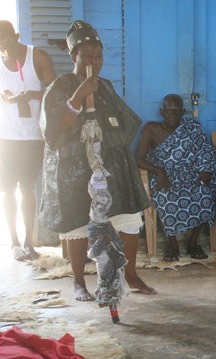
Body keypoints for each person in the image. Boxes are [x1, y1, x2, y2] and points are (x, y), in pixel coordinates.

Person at [39, 20, 155, 300]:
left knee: (127, 216)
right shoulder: (61, 85)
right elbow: (54, 130)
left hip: (110, 162)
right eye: (87, 56)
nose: (94, 61)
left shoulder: (105, 86)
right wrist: (79, 95)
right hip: (74, 166)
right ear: (73, 56)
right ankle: (79, 281)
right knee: (78, 220)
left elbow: (124, 122)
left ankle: (130, 273)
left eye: (98, 56)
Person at [135, 94, 216, 261]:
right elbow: (139, 158)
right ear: (162, 112)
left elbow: (205, 151)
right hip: (162, 174)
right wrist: (160, 172)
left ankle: (193, 242)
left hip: (189, 173)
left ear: (183, 112)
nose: (173, 114)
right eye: (169, 111)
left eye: (176, 111)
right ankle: (172, 245)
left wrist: (205, 169)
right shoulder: (151, 128)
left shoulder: (191, 128)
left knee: (206, 193)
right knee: (165, 197)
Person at [0, 21, 55, 261]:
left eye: (6, 42)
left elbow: (57, 91)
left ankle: (28, 242)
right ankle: (14, 243)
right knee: (8, 190)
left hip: (33, 135)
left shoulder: (37, 56)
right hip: (5, 137)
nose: (4, 50)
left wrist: (29, 95)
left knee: (28, 188)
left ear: (16, 36)